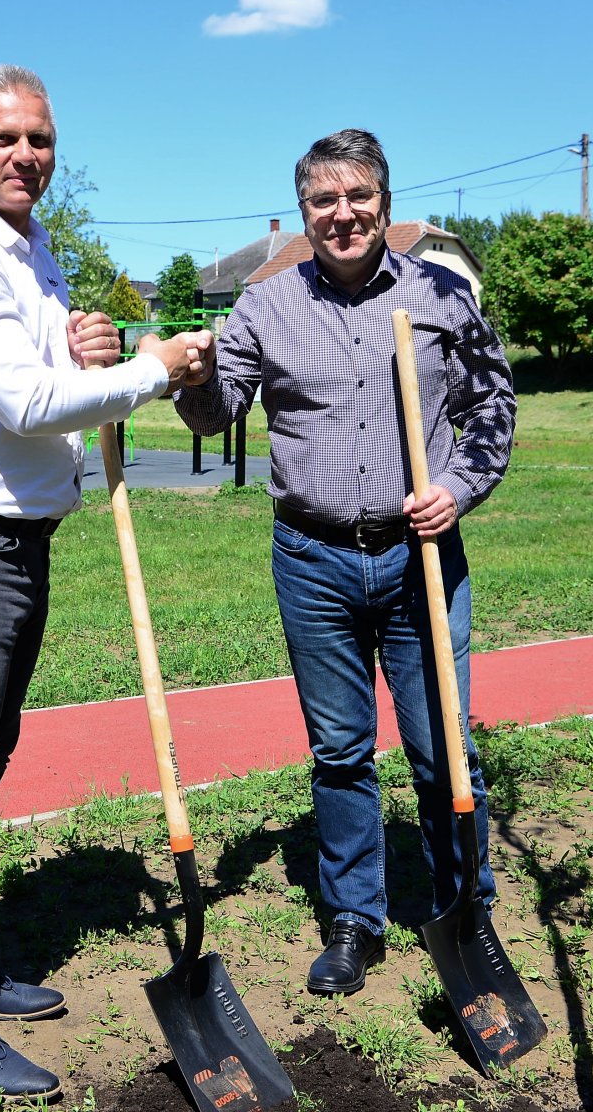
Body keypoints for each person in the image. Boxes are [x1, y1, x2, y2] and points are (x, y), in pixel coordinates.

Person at [0, 63, 212, 1100]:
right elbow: (30, 403)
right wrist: (155, 367)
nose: (27, 155)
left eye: (41, 140)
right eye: (6, 139)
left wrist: (93, 344)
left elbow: (54, 367)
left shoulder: (30, 245)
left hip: (16, 539)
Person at [176, 129, 515, 996]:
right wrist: (193, 375)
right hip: (314, 560)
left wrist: (457, 487)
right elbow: (216, 417)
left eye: (358, 196)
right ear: (305, 215)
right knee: (339, 752)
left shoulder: (443, 296)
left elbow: (493, 411)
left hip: (420, 559)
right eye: (324, 201)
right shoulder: (267, 305)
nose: (343, 214)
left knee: (443, 749)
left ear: (385, 205)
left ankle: (463, 914)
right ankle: (354, 920)